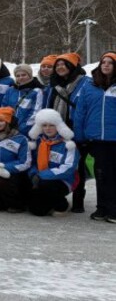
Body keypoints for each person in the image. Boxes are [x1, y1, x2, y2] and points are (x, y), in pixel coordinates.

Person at [73, 51, 116, 222]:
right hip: (96, 138)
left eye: (110, 63)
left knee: (114, 174)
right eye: (103, 62)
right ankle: (102, 208)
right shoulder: (89, 86)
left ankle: (113, 209)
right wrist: (80, 136)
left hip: (114, 139)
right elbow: (80, 112)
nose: (106, 65)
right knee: (101, 173)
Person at [46, 53, 91, 212]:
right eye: (57, 65)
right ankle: (58, 196)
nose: (59, 68)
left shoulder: (85, 83)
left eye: (63, 65)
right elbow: (48, 106)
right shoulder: (53, 85)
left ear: (72, 67)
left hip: (77, 132)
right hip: (56, 132)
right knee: (57, 163)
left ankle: (78, 201)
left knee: (78, 166)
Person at [27, 109, 79, 216]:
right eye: (44, 125)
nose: (47, 128)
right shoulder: (38, 142)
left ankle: (62, 205)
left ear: (58, 126)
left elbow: (68, 168)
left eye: (51, 125)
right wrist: (33, 174)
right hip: (40, 178)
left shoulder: (68, 145)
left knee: (46, 185)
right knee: (36, 210)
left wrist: (41, 175)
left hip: (62, 180)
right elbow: (32, 163)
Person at [1, 64, 44, 134]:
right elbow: (4, 108)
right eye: (18, 76)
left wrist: (21, 128)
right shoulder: (10, 90)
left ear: (30, 75)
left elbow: (36, 113)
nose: (21, 78)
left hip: (26, 131)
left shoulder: (36, 91)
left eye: (24, 75)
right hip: (9, 130)